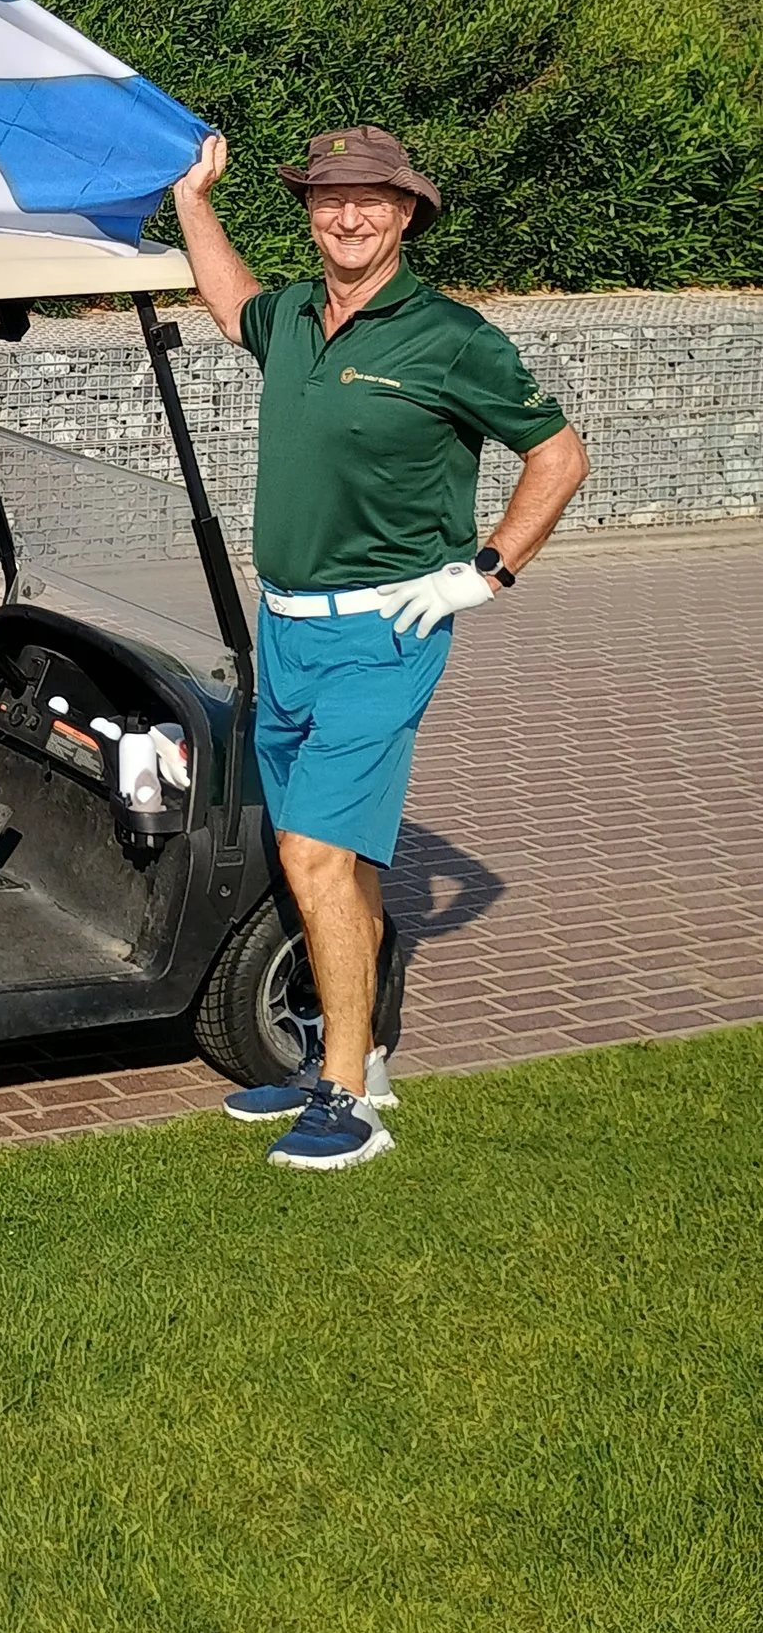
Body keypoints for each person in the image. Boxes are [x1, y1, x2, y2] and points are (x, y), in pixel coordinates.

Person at [171, 124, 587, 1173]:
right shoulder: (299, 317)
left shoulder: (449, 337)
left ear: (407, 213)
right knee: (321, 860)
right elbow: (230, 304)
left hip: (384, 632)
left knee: (312, 855)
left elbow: (558, 453)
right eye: (326, 199)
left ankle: (348, 1098)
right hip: (287, 630)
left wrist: (485, 571)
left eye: (369, 200)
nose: (346, 216)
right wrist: (190, 202)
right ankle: (356, 1051)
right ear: (308, 212)